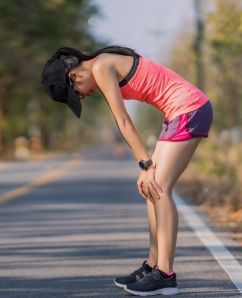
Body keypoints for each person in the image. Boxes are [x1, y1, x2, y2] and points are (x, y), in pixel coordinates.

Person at [41, 45, 213, 296]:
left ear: (74, 76)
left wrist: (145, 165)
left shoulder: (101, 66)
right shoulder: (101, 64)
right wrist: (145, 168)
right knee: (149, 188)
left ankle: (165, 275)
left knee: (159, 188)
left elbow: (122, 120)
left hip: (190, 109)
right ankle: (153, 266)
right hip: (178, 112)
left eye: (75, 93)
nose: (81, 96)